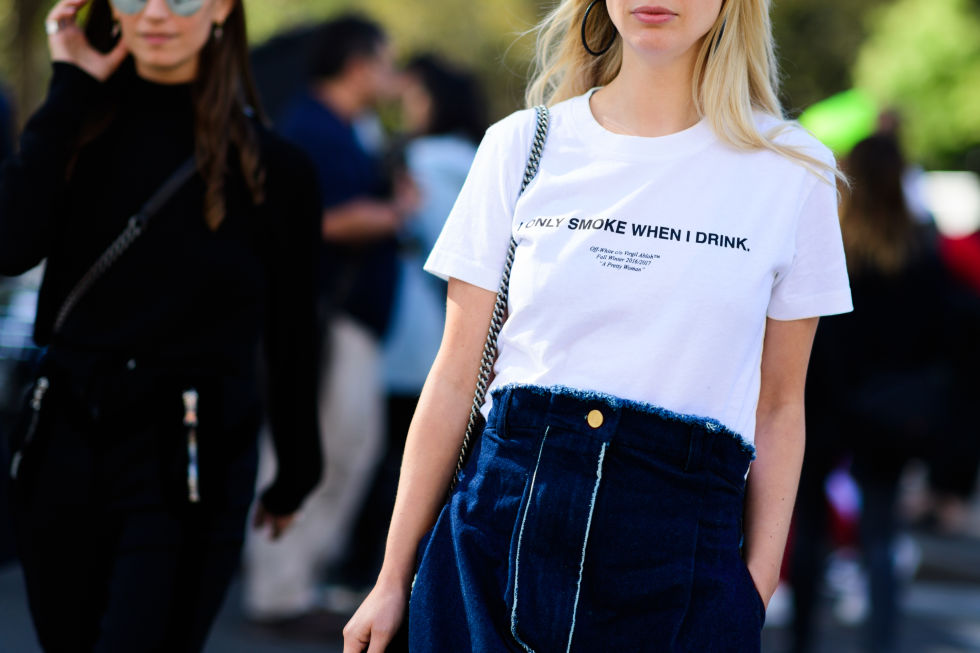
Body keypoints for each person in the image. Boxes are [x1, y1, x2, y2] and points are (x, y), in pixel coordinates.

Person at [343, 1, 853, 651]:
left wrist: (755, 588)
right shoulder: (520, 145)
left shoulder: (793, 171)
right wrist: (392, 577)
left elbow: (780, 405)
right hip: (497, 533)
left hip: (686, 555)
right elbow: (453, 375)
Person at [0, 0, 322, 650]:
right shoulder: (73, 128)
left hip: (192, 454)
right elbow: (10, 245)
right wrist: (71, 83)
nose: (154, 13)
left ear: (223, 8)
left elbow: (292, 333)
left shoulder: (274, 167)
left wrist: (298, 466)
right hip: (64, 439)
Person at [243, 14, 411, 624]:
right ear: (359, 63)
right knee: (309, 448)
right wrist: (387, 214)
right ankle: (279, 590)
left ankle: (301, 583)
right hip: (322, 322)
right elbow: (311, 221)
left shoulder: (342, 128)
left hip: (345, 323)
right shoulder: (311, 128)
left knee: (348, 450)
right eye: (386, 63)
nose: (392, 78)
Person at [791, 134, 962, 653]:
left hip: (820, 407)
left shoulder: (828, 242)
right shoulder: (921, 249)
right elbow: (944, 335)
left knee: (807, 533)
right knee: (882, 538)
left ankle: (801, 642)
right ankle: (881, 643)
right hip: (888, 414)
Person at [345, 53, 487, 588]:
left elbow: (444, 246)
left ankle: (381, 568)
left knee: (396, 447)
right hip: (442, 326)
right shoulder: (474, 155)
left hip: (419, 326)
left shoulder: (429, 161)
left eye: (412, 95)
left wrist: (398, 211)